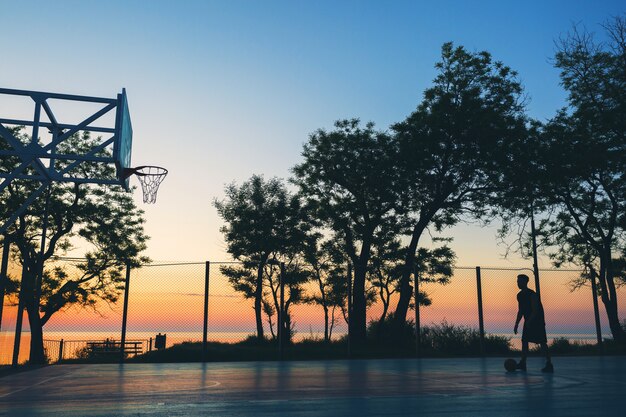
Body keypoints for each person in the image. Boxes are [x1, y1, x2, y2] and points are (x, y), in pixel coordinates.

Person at [514, 274, 553, 373]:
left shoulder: (532, 294)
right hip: (528, 321)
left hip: (537, 322)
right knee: (524, 341)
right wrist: (516, 323)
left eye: (520, 281)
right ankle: (523, 363)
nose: (518, 283)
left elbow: (535, 310)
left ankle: (549, 364)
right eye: (517, 281)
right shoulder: (519, 295)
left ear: (525, 282)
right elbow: (521, 310)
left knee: (542, 343)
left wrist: (530, 321)